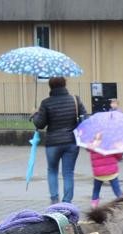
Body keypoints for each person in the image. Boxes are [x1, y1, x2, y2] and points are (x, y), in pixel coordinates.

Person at [32, 76, 86, 204]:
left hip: (53, 143)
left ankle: (54, 200)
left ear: (50, 86)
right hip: (71, 142)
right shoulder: (75, 100)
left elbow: (40, 124)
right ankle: (67, 202)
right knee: (68, 173)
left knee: (52, 170)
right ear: (65, 84)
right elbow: (84, 117)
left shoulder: (46, 103)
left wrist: (35, 114)